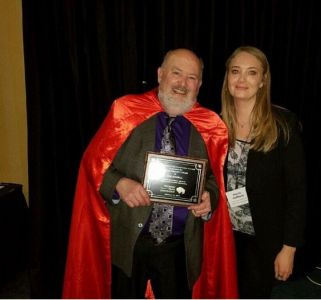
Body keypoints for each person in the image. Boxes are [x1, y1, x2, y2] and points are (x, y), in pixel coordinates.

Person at [62, 49, 238, 299]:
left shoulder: (209, 125)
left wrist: (209, 196)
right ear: (160, 74)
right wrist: (119, 184)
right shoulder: (125, 111)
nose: (182, 83)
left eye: (191, 77)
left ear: (199, 84)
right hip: (129, 244)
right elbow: (94, 164)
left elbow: (212, 180)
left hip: (179, 249)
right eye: (176, 73)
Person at [221, 46, 307, 298]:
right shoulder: (215, 124)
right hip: (225, 236)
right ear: (227, 78)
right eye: (235, 71)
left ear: (263, 80)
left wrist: (289, 248)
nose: (241, 79)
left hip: (264, 236)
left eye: (251, 73)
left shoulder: (283, 125)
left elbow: (296, 190)